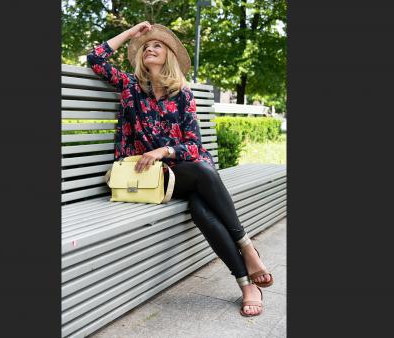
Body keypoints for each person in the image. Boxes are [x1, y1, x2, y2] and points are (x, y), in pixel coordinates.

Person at [87, 22, 273, 317]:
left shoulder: (182, 95)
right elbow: (95, 58)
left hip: (185, 172)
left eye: (157, 45)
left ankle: (245, 284)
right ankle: (247, 248)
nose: (149, 48)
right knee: (202, 173)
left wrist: (166, 150)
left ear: (169, 56)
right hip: (150, 177)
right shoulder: (130, 87)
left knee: (201, 208)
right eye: (146, 47)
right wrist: (133, 33)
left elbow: (194, 146)